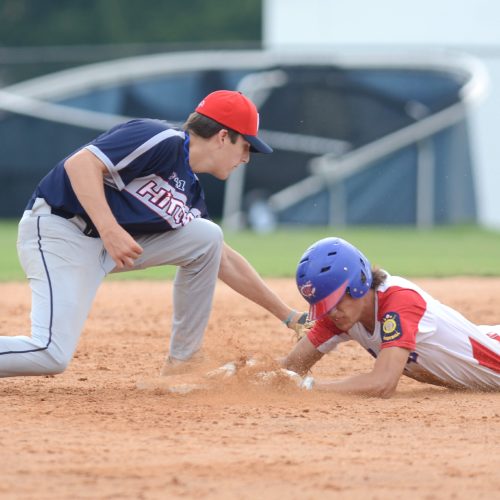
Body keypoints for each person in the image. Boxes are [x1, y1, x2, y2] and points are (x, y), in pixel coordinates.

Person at [1, 90, 306, 378]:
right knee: (51, 354)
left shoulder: (189, 189)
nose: (247, 158)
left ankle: (183, 361)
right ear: (223, 136)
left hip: (106, 246)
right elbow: (80, 164)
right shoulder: (159, 138)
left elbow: (222, 257)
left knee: (208, 238)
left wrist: (289, 315)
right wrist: (110, 230)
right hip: (60, 232)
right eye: (246, 146)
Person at [282, 237, 500, 397]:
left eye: (334, 302)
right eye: (323, 306)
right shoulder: (342, 315)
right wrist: (254, 373)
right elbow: (290, 367)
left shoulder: (399, 301)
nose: (331, 313)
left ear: (358, 284)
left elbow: (383, 383)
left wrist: (310, 387)